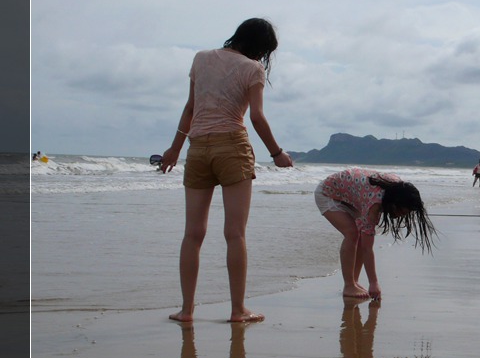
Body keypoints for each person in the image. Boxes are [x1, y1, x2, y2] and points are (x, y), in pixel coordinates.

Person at [160, 18, 294, 324]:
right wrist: (277, 153)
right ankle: (237, 310)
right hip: (232, 147)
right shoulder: (253, 68)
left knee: (193, 234)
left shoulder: (201, 58)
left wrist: (174, 149)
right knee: (235, 233)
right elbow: (257, 117)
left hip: (197, 148)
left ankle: (186, 310)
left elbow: (190, 108)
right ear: (260, 47)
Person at [315, 167, 437, 300]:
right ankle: (349, 285)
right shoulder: (375, 203)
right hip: (328, 192)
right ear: (394, 203)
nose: (401, 215)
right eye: (401, 212)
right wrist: (373, 283)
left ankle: (354, 282)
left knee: (360, 236)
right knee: (352, 233)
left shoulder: (398, 189)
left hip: (349, 195)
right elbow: (367, 249)